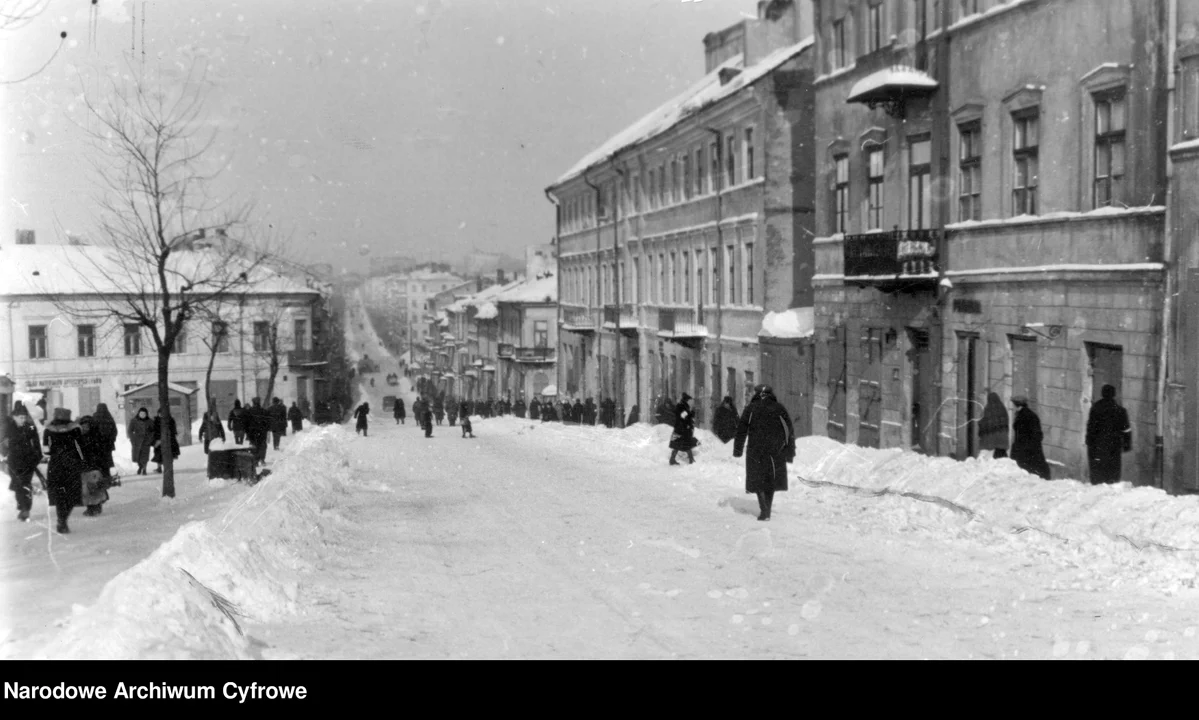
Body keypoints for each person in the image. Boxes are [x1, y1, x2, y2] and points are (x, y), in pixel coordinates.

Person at [733, 385, 795, 522]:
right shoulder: (779, 408)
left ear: (758, 394)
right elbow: (788, 431)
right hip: (775, 451)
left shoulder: (751, 408)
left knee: (758, 480)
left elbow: (741, 430)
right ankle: (767, 509)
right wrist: (789, 451)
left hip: (756, 450)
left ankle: (764, 510)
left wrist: (738, 449)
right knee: (770, 480)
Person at [43, 408, 85, 534]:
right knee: (72, 493)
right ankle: (64, 518)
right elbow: (81, 446)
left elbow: (46, 450)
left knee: (60, 493)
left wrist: (53, 452)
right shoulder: (75, 429)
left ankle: (61, 520)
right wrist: (83, 460)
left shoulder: (48, 429)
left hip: (56, 465)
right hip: (72, 463)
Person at [1086, 384, 1132, 485]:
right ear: (1114, 394)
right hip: (1114, 445)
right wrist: (1126, 445)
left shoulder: (1095, 408)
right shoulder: (1120, 410)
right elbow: (1126, 430)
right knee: (1112, 471)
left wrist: (1089, 442)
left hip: (1098, 445)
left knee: (1097, 471)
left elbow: (1090, 427)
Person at [4, 408, 42, 522]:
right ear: (14, 417)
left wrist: (37, 457)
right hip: (14, 461)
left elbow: (36, 444)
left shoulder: (30, 427)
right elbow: (3, 442)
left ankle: (25, 509)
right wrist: (4, 454)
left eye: (25, 417)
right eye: (21, 417)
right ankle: (23, 507)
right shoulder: (9, 428)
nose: (23, 420)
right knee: (18, 485)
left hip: (28, 461)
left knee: (24, 484)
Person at [77, 416, 112, 517]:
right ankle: (92, 507)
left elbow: (103, 453)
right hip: (86, 467)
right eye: (82, 426)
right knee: (88, 489)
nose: (84, 428)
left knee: (94, 488)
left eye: (86, 426)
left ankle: (95, 507)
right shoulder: (80, 437)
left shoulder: (96, 436)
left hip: (95, 466)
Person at [1010, 396, 1051, 480]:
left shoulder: (1022, 416)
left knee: (1029, 471)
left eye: (1013, 405)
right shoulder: (1029, 414)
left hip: (1026, 449)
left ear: (1017, 405)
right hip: (1029, 448)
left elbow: (1033, 434)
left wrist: (1025, 445)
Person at [91, 403, 119, 484]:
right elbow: (115, 431)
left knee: (99, 461)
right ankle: (107, 476)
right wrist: (112, 439)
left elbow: (92, 431)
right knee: (107, 461)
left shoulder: (94, 417)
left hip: (98, 444)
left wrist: (94, 440)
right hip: (107, 444)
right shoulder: (109, 417)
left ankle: (100, 478)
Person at [978, 392, 1010, 459]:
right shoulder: (1003, 408)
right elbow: (1006, 422)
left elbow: (981, 423)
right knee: (1002, 457)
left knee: (989, 459)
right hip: (1002, 437)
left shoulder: (987, 409)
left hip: (989, 439)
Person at [668, 394, 698, 465]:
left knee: (678, 444)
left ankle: (672, 459)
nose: (691, 402)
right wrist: (689, 412)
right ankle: (691, 459)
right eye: (690, 401)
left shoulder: (683, 406)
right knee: (685, 444)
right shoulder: (681, 406)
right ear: (686, 400)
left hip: (681, 428)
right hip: (682, 429)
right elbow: (682, 416)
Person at [151, 408, 181, 473]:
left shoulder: (170, 420)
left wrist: (166, 438)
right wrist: (155, 440)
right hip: (158, 440)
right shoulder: (156, 421)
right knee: (158, 455)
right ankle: (159, 468)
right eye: (159, 413)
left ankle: (168, 468)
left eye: (162, 413)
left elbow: (173, 431)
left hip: (169, 440)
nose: (161, 415)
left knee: (169, 455)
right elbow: (153, 431)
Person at [128, 407, 153, 474]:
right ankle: (140, 466)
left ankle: (144, 469)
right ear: (138, 413)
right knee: (138, 457)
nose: (142, 415)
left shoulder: (150, 421)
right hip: (136, 442)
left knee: (145, 457)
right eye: (141, 413)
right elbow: (130, 431)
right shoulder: (134, 420)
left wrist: (150, 439)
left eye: (144, 413)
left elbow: (153, 431)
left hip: (146, 441)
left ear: (146, 414)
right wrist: (132, 439)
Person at [246, 397, 271, 463]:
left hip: (252, 432)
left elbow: (246, 423)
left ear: (253, 402)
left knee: (254, 445)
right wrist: (266, 429)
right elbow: (268, 422)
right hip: (262, 431)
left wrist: (247, 432)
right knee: (262, 445)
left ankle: (255, 460)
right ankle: (262, 458)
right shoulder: (264, 411)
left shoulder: (249, 411)